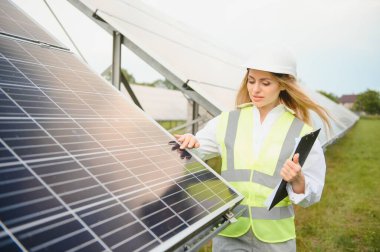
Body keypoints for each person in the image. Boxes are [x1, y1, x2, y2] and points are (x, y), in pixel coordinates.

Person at [174, 45, 331, 251]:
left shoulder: (302, 133)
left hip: (275, 239)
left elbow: (311, 195)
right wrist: (189, 141)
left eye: (265, 83)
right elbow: (194, 148)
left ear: (283, 85)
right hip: (230, 231)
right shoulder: (228, 120)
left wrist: (299, 181)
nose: (255, 90)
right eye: (251, 81)